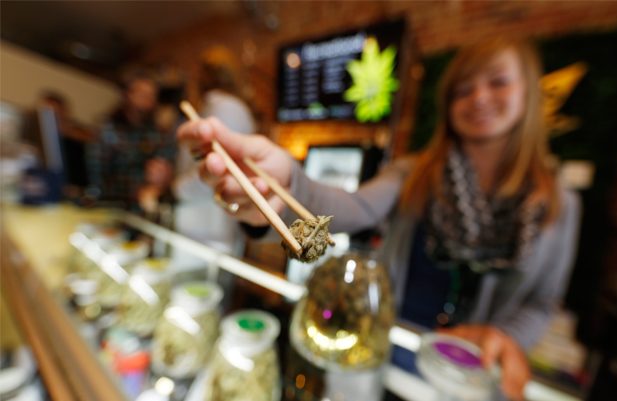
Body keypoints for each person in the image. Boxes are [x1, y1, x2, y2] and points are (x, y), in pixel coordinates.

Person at [177, 37, 581, 401]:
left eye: (498, 82)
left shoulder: (558, 203)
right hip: (382, 352)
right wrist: (288, 184)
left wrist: (506, 336)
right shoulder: (414, 174)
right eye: (463, 89)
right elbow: (353, 208)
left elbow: (543, 302)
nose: (479, 97)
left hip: (469, 379)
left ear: (529, 93)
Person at [173, 47, 257, 259]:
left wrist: (175, 188)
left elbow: (216, 171)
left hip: (211, 229)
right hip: (201, 224)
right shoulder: (215, 107)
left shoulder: (226, 108)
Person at [88, 72, 175, 210]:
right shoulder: (108, 130)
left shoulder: (158, 134)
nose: (147, 99)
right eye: (142, 94)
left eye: (151, 95)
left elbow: (166, 164)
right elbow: (96, 175)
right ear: (128, 95)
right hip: (110, 205)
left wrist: (164, 176)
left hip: (144, 208)